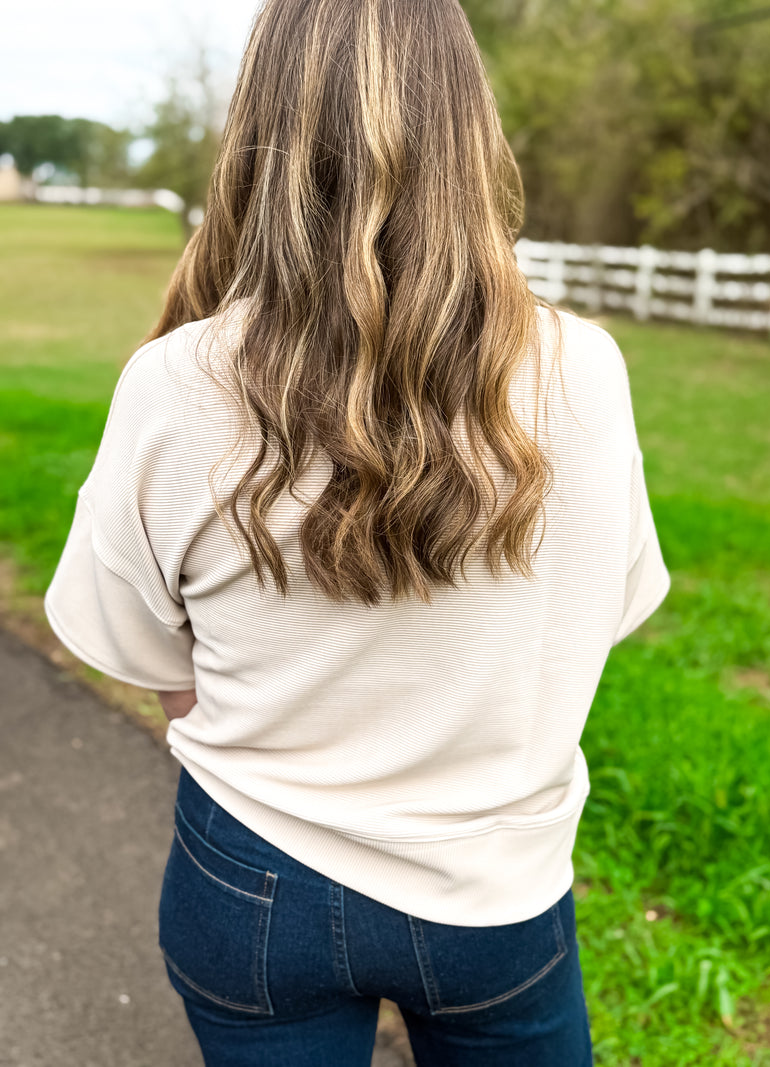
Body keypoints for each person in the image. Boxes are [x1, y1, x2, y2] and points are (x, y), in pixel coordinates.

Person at [43, 0, 670, 1064]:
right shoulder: (584, 370)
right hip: (495, 888)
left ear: (261, 130)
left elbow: (146, 651)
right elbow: (595, 615)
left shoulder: (174, 381)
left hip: (252, 882)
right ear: (468, 129)